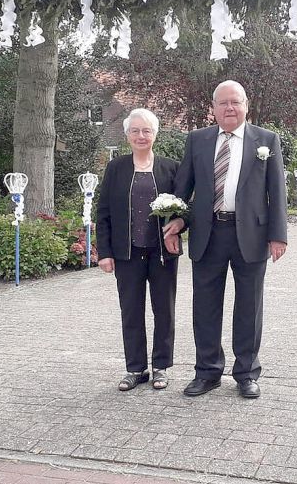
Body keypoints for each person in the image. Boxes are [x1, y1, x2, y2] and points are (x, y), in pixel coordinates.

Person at [163, 80, 288, 399]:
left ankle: (246, 372)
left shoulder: (266, 140)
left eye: (235, 102)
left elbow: (277, 191)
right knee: (205, 306)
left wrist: (278, 235)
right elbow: (183, 189)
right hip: (208, 233)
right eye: (223, 103)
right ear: (214, 108)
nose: (229, 108)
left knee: (249, 306)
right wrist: (174, 221)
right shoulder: (198, 140)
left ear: (246, 106)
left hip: (252, 235)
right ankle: (207, 372)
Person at [97, 108, 180, 391]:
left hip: (162, 254)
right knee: (131, 311)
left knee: (164, 311)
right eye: (135, 131)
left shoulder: (171, 168)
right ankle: (135, 369)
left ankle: (161, 368)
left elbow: (186, 207)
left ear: (155, 134)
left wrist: (180, 225)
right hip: (127, 254)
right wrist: (105, 252)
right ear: (127, 135)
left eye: (146, 131)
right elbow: (104, 212)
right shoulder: (116, 168)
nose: (141, 136)